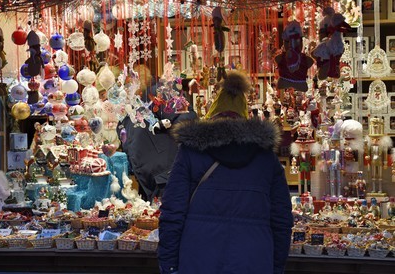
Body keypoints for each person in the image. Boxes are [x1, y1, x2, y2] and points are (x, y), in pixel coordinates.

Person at [158, 71, 293, 274]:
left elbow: (172, 213)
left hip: (198, 259)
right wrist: (275, 266)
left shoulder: (191, 152)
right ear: (245, 116)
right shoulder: (266, 158)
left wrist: (169, 265)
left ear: (213, 114)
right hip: (254, 259)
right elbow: (282, 220)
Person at [117, 64, 197, 201]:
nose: (125, 88)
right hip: (149, 178)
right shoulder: (132, 107)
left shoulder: (157, 94)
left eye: (128, 83)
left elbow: (186, 119)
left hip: (165, 175)